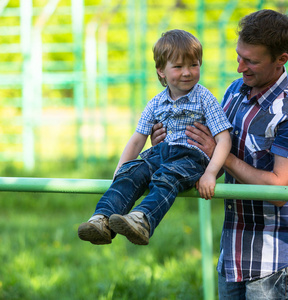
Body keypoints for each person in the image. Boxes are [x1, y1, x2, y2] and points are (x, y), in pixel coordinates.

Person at [152, 10, 288, 299]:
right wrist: (166, 144)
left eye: (251, 61)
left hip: (273, 261)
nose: (239, 67)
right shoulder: (235, 92)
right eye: (238, 56)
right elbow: (206, 157)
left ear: (281, 59)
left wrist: (224, 155)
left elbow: (281, 190)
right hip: (232, 252)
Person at [78, 29, 232, 246]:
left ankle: (142, 220)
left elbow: (224, 138)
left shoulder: (204, 98)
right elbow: (137, 140)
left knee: (167, 177)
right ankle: (102, 220)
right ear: (161, 71)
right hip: (159, 153)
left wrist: (210, 173)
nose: (187, 72)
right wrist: (121, 169)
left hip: (190, 158)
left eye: (194, 65)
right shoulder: (156, 103)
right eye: (178, 66)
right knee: (131, 174)